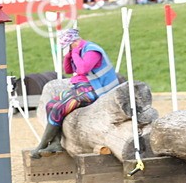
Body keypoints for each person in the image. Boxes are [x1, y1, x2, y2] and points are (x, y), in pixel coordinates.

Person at [30, 28, 120, 158]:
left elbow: (83, 69)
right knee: (51, 104)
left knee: (59, 108)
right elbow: (68, 70)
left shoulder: (91, 51)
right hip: (82, 86)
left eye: (67, 47)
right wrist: (68, 56)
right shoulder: (77, 51)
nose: (66, 49)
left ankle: (42, 145)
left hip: (96, 89)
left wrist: (76, 53)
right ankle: (55, 143)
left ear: (74, 42)